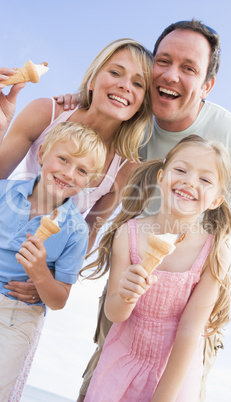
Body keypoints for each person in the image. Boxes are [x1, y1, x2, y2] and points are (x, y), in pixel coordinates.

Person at [61, 19, 231, 402]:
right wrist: (80, 103)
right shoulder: (132, 120)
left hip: (193, 302)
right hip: (131, 295)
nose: (171, 75)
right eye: (164, 61)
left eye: (189, 68)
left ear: (206, 86)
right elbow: (85, 179)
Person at [0, 38, 153, 398]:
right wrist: (4, 117)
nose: (123, 86)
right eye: (115, 72)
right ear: (93, 77)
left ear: (143, 101)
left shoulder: (126, 165)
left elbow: (91, 227)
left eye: (137, 83)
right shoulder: (48, 112)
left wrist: (47, 279)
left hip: (26, 294)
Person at [81, 135, 231, 402]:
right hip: (122, 361)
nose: (190, 181)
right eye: (181, 169)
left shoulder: (214, 253)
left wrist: (162, 398)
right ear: (161, 177)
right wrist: (126, 295)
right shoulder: (127, 234)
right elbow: (115, 313)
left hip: (174, 374)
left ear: (215, 201)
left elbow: (190, 330)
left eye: (205, 179)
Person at [0, 121, 107, 401]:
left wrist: (39, 273)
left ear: (91, 181)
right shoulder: (4, 191)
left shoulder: (76, 231)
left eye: (82, 170)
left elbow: (59, 300)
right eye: (63, 159)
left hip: (18, 315)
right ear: (42, 154)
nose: (68, 173)